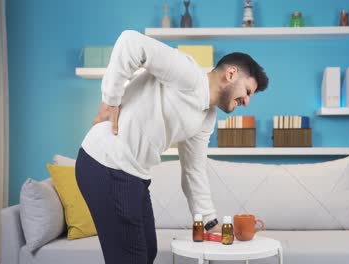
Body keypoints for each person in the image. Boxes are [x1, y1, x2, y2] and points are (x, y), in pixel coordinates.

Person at [75, 30, 269, 264]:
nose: (246, 102)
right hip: (106, 163)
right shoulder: (188, 73)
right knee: (132, 258)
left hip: (134, 174)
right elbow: (130, 42)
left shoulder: (207, 117)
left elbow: (194, 169)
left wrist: (209, 221)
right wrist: (111, 100)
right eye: (247, 91)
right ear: (231, 74)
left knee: (149, 251)